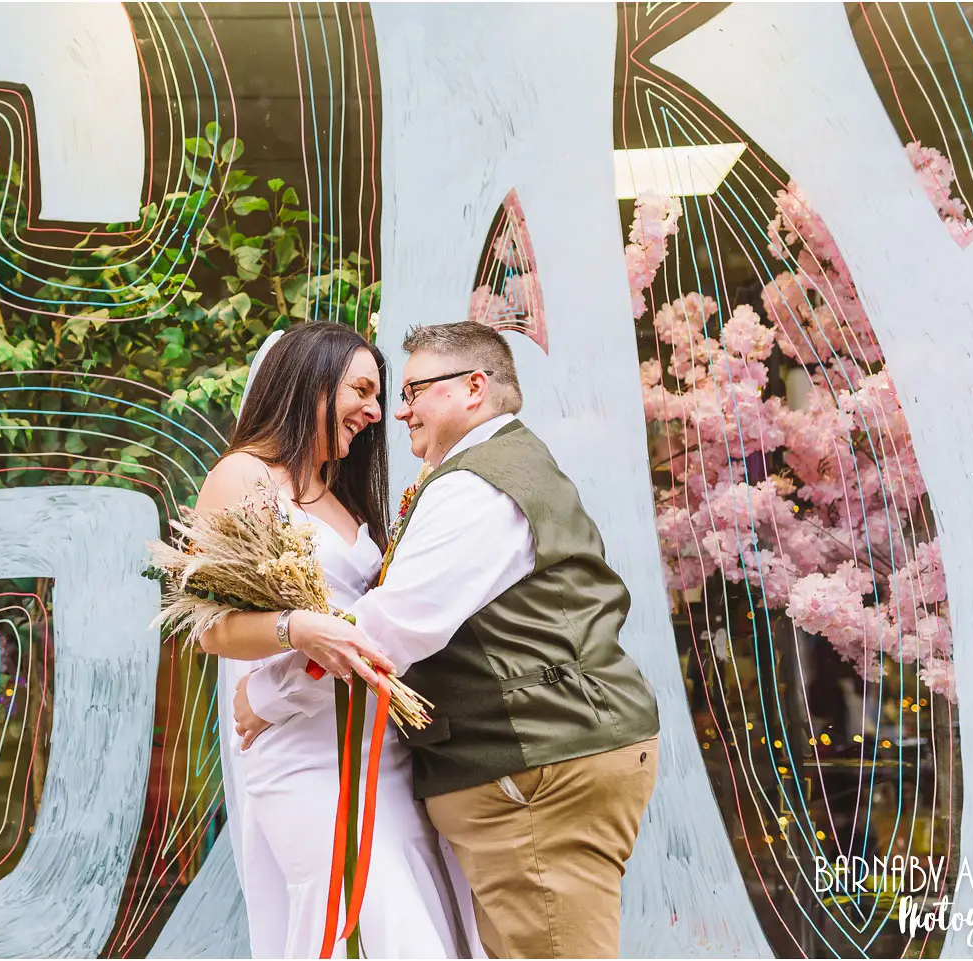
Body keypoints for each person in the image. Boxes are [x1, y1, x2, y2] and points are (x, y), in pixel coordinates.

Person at [239, 321, 661, 958]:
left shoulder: (477, 485)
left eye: (412, 390)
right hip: (528, 756)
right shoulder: (493, 468)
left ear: (473, 388)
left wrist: (268, 694)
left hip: (534, 762)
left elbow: (395, 626)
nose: (396, 411)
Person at [194, 321, 479, 959]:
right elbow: (209, 629)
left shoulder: (344, 494)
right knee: (366, 915)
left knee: (416, 914)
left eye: (379, 397)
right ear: (310, 380)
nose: (376, 413)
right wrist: (293, 627)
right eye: (362, 390)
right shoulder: (243, 476)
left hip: (382, 747)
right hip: (302, 750)